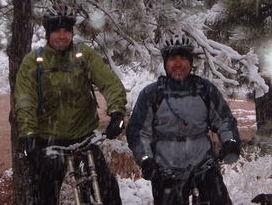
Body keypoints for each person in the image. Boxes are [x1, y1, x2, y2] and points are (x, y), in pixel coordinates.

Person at [14, 3, 126, 205]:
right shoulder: (34, 61)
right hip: (49, 139)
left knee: (107, 189)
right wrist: (28, 134)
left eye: (66, 30)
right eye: (56, 30)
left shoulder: (83, 55)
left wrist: (117, 111)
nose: (62, 35)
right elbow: (25, 100)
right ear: (48, 33)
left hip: (83, 137)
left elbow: (109, 83)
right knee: (44, 195)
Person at [126, 31, 241, 205]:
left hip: (204, 166)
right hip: (166, 170)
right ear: (165, 63)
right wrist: (145, 159)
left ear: (190, 62)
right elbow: (139, 131)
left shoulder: (204, 90)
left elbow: (224, 120)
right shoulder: (152, 94)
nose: (178, 63)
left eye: (183, 58)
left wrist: (230, 142)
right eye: (173, 59)